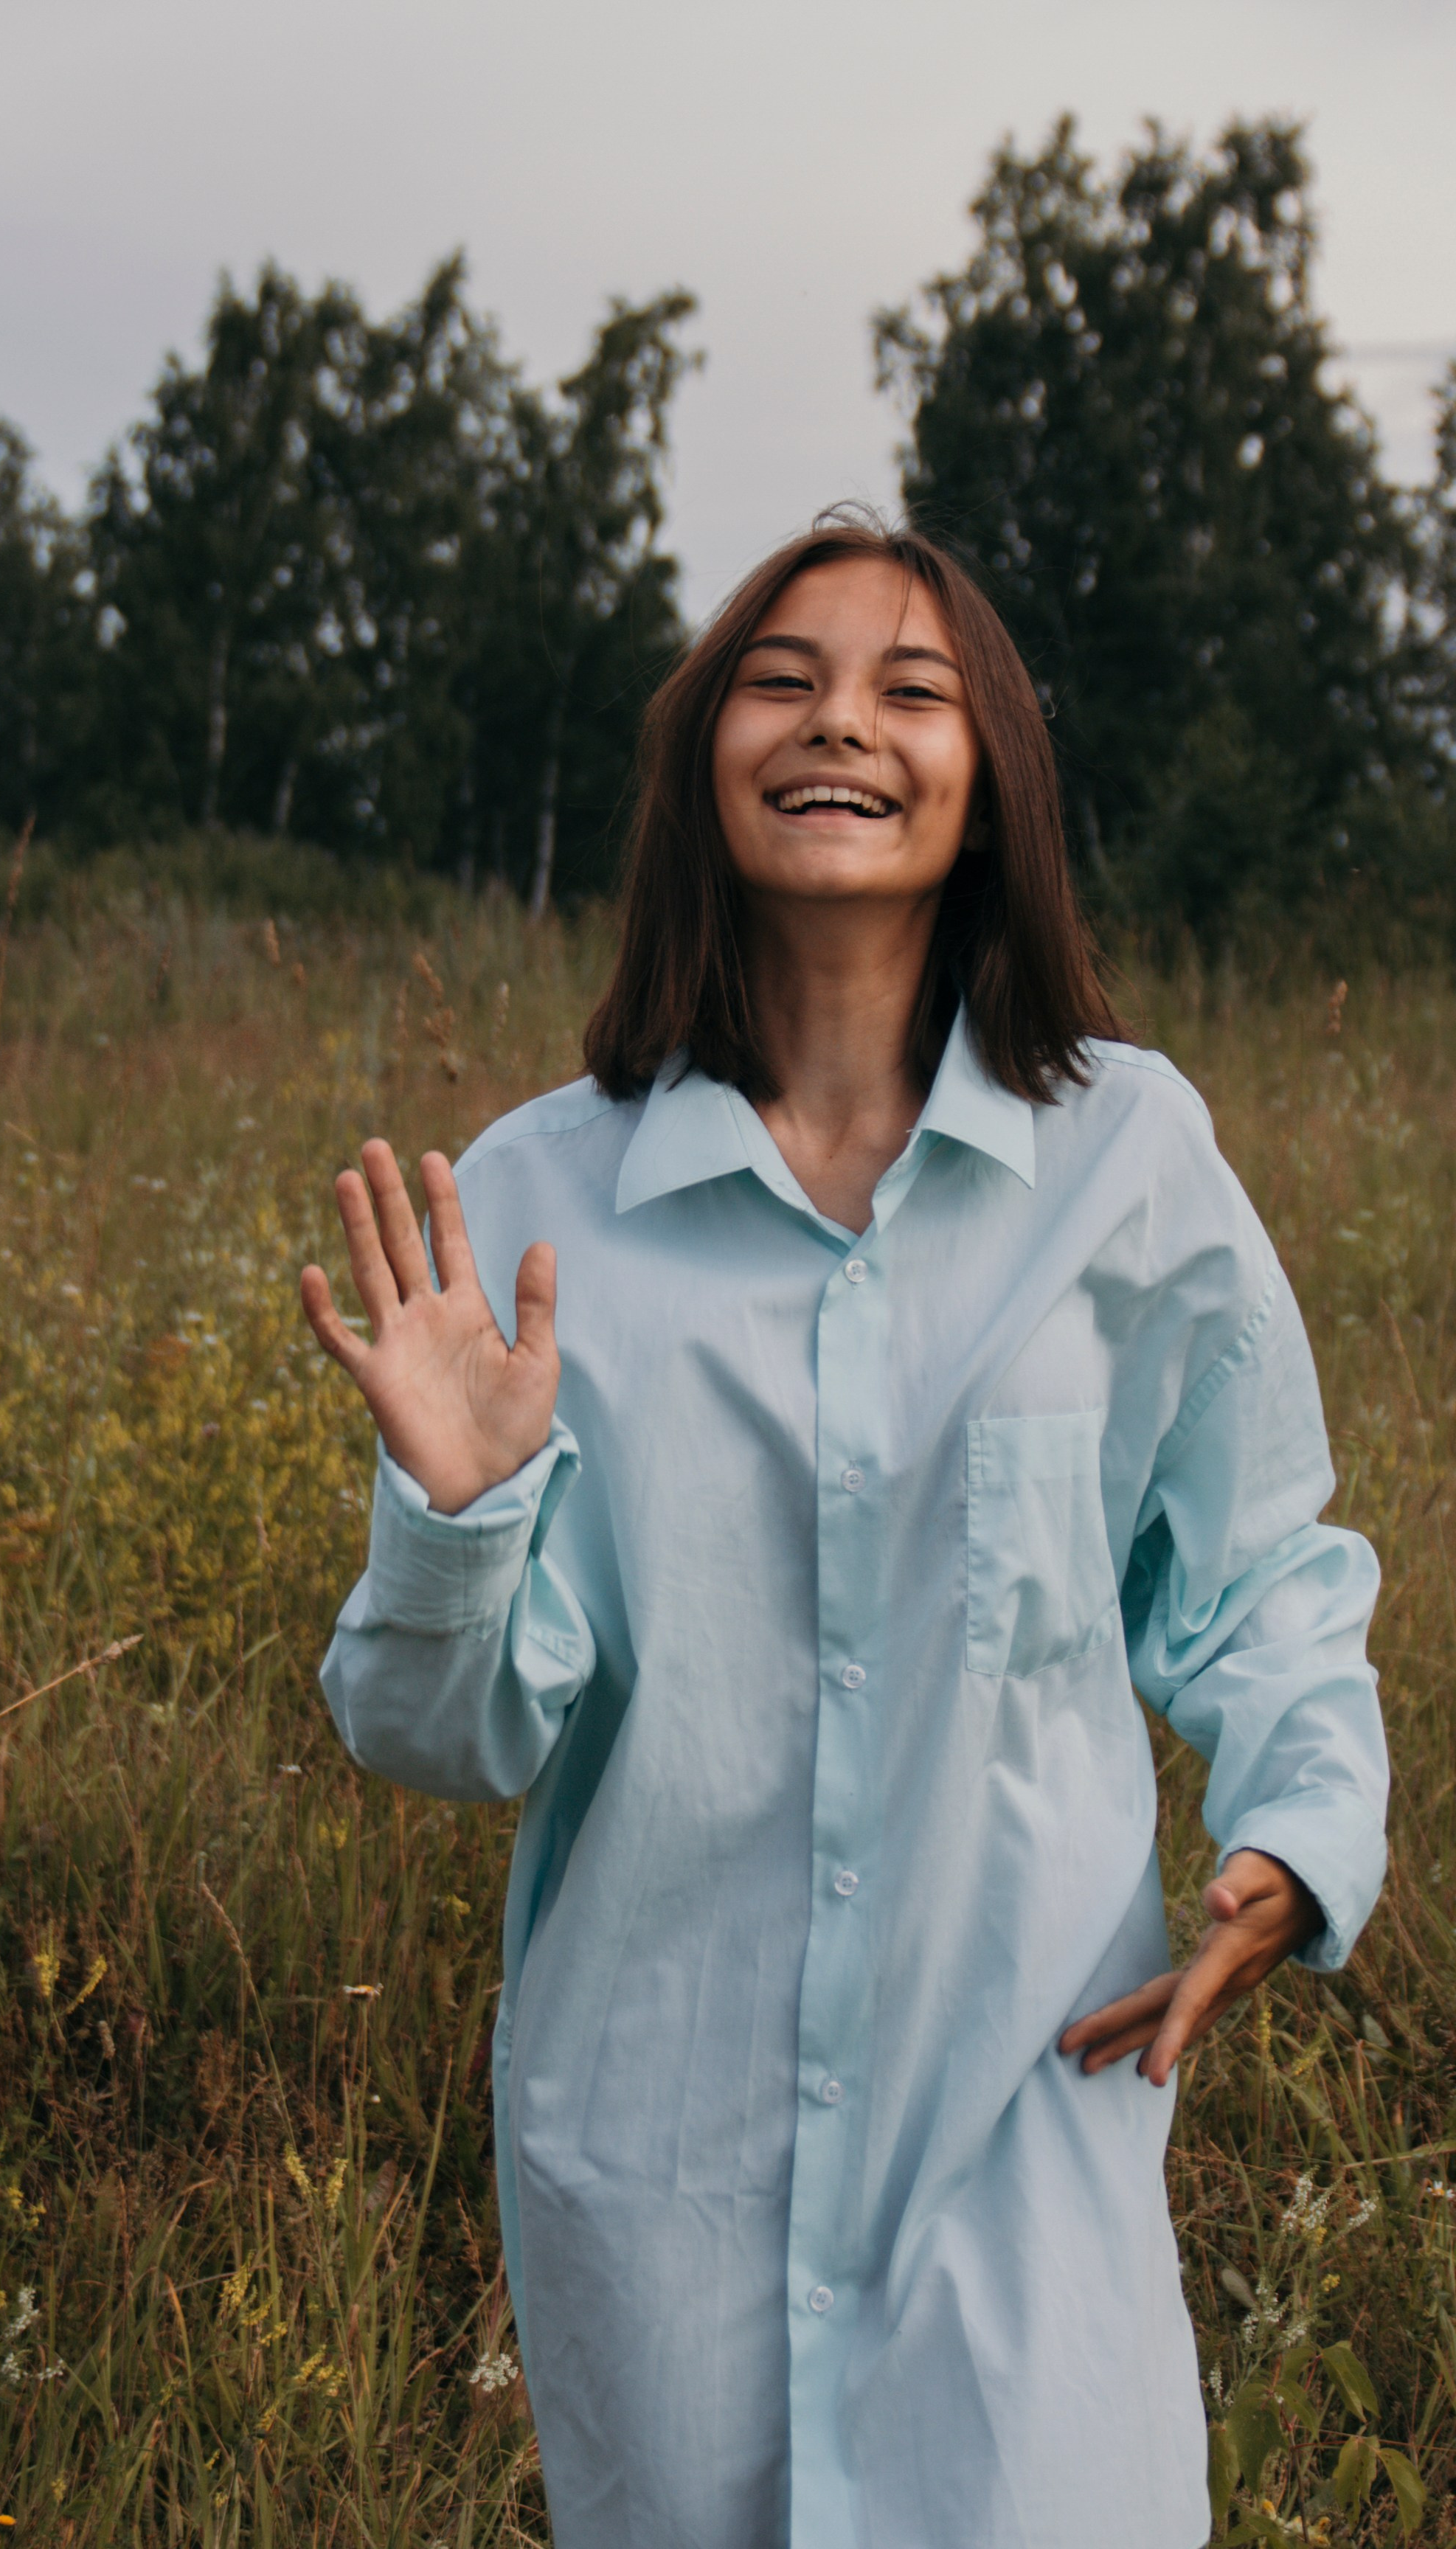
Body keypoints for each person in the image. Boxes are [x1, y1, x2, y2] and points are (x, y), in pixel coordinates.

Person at [299, 517, 1388, 2549]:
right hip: (660, 2155)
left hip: (1017, 2109)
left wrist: (1292, 1829)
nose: (841, 726)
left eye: (911, 686)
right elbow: (458, 1739)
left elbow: (1257, 1573)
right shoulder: (544, 1195)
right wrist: (458, 1518)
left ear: (990, 784)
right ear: (709, 759)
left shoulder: (1128, 1158)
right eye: (783, 679)